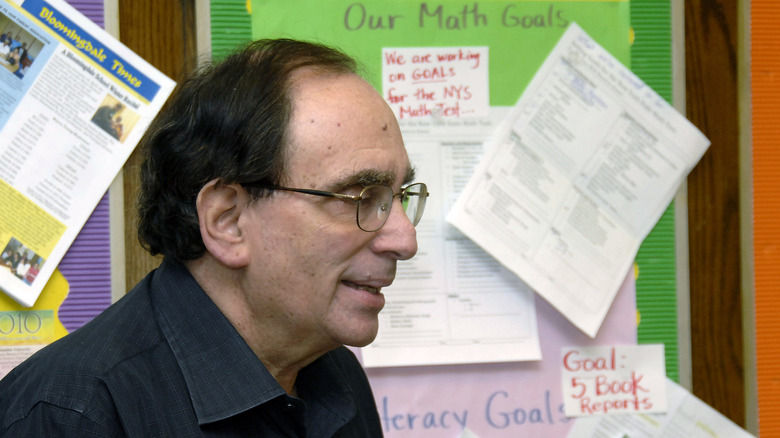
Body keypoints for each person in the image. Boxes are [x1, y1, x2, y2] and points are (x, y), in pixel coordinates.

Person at [0, 38, 428, 436]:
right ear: (228, 220)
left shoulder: (335, 375)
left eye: (399, 196)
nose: (404, 240)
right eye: (359, 197)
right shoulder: (73, 414)